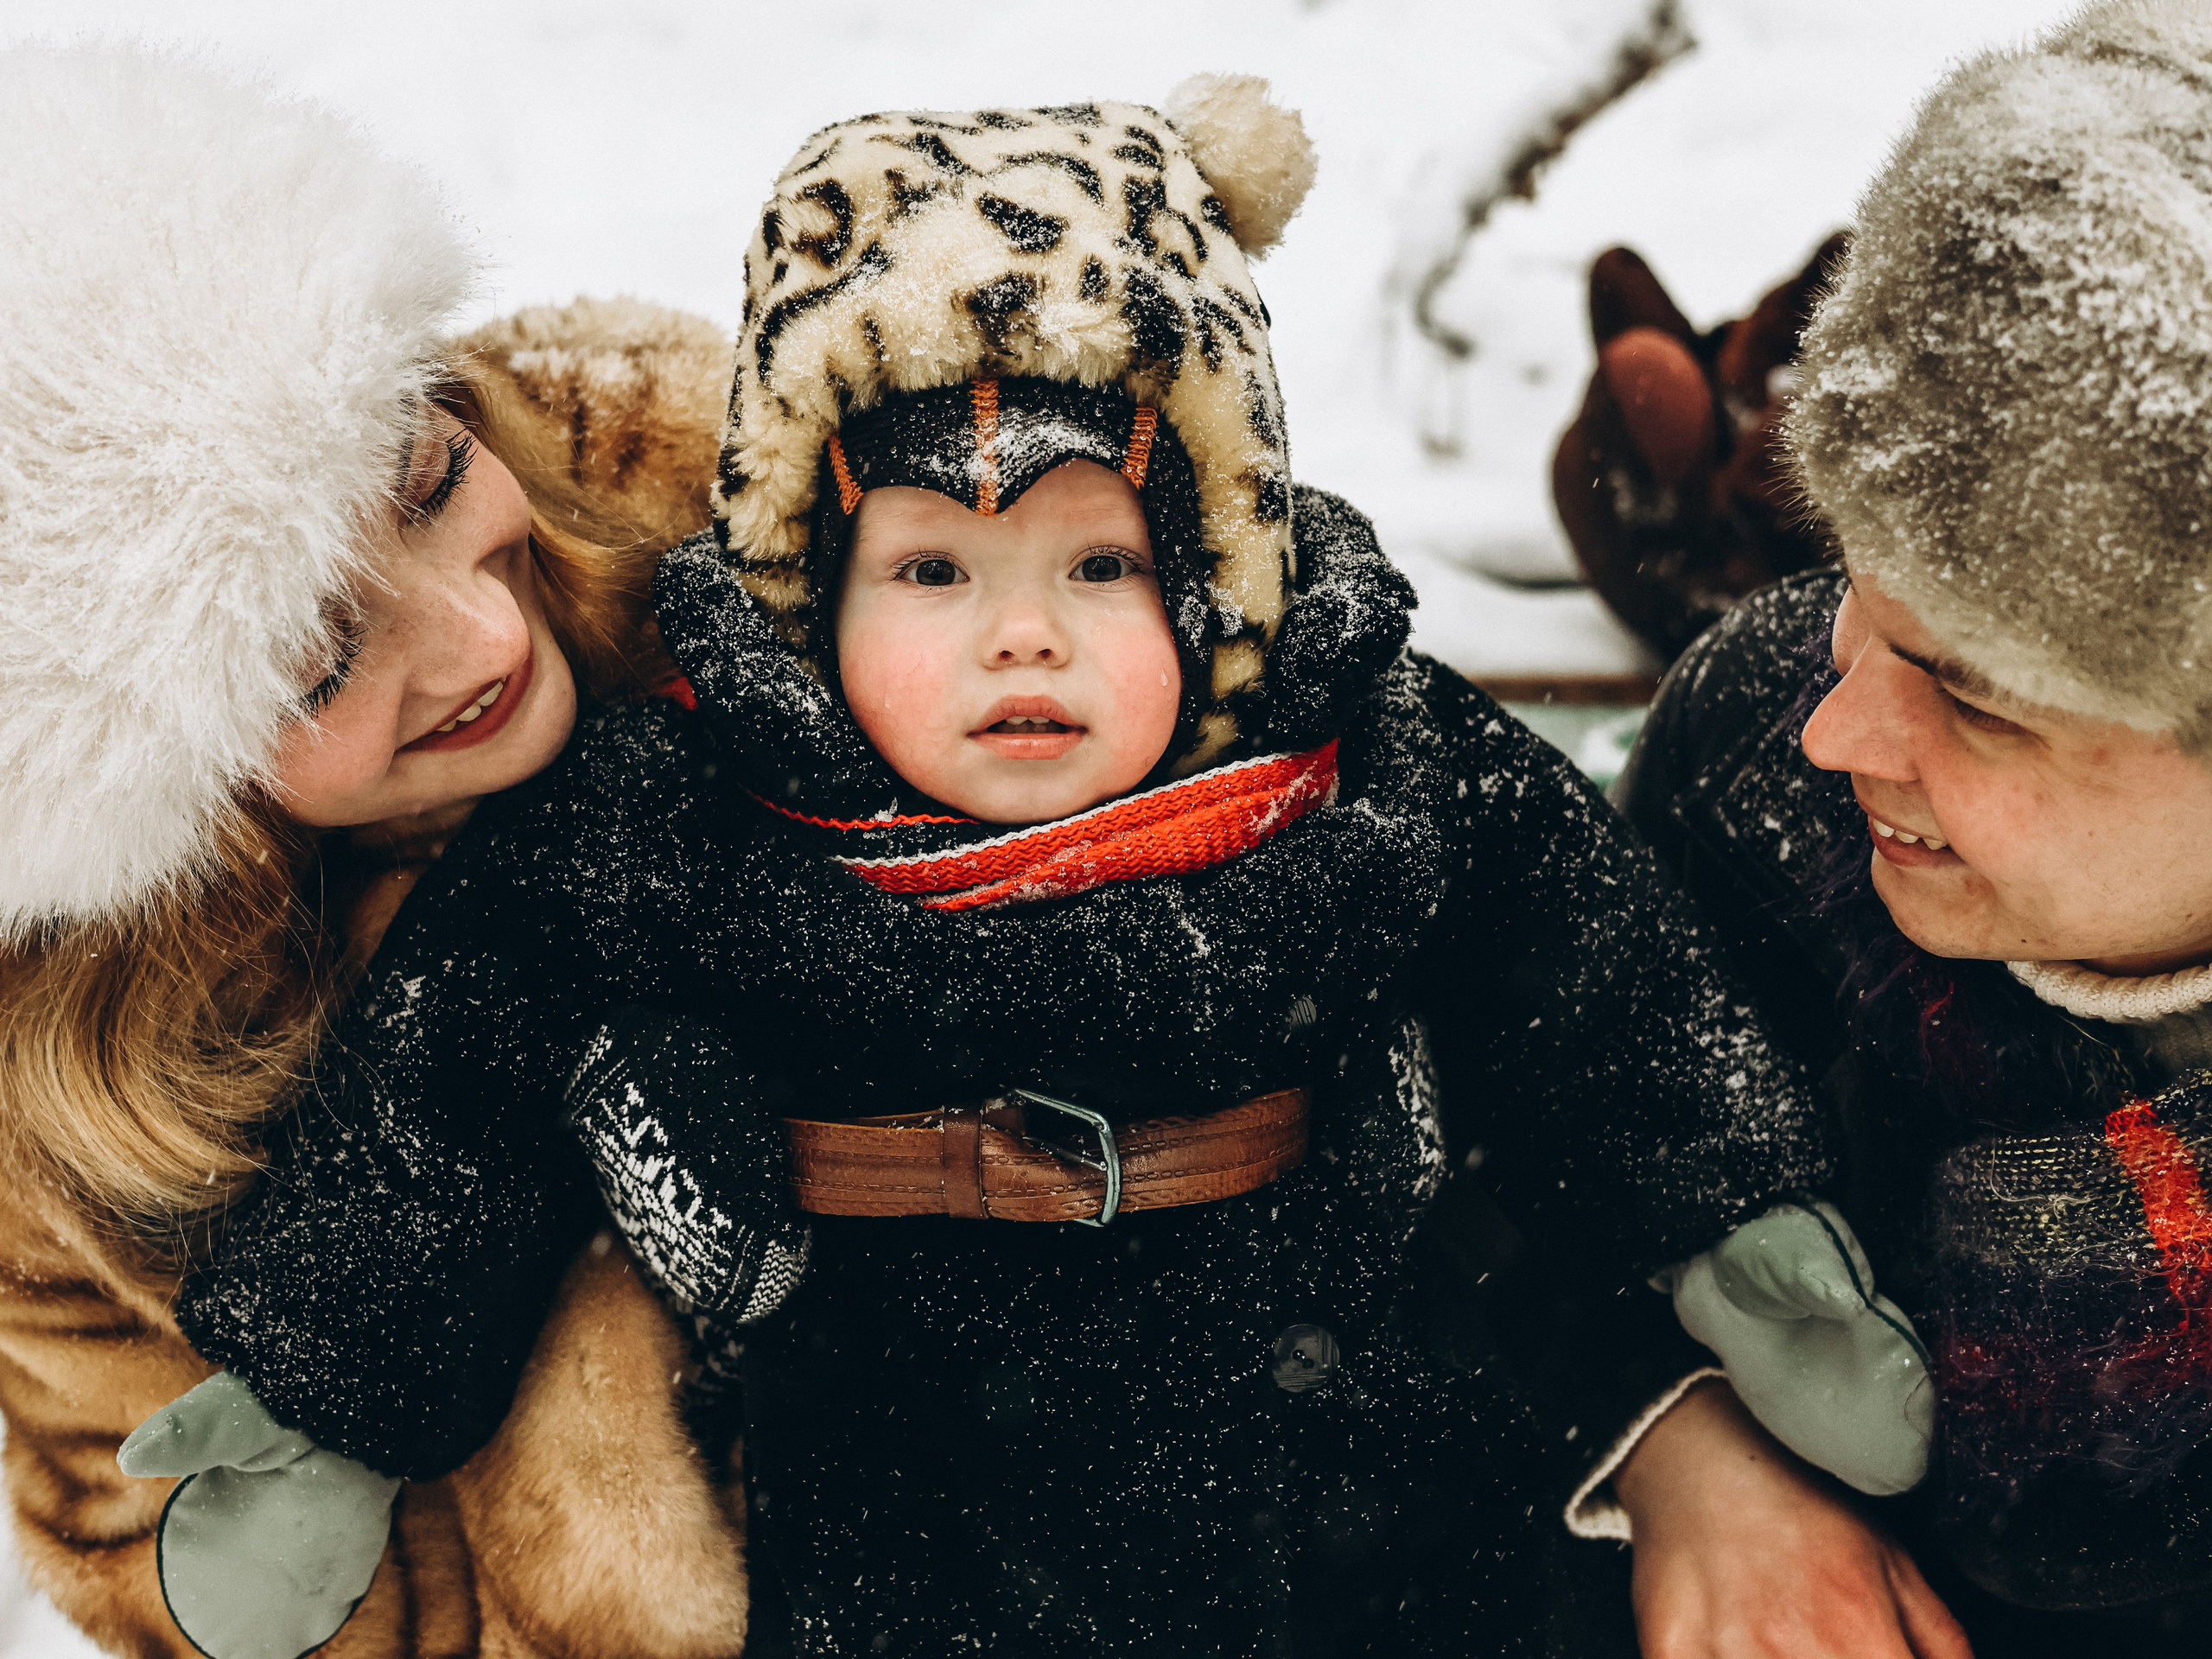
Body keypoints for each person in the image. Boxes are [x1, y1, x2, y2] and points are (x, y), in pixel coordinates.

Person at [156, 79, 1837, 1657]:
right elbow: (455, 1070)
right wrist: (325, 1388)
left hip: (1366, 1483)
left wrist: (1728, 1220)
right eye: (933, 571)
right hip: (919, 1514)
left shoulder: (1348, 761)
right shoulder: (689, 813)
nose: (1022, 633)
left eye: (1100, 563)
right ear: (814, 593)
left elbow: (1589, 968)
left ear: (1216, 573)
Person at [0, 42, 754, 1656]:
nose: (483, 635)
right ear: (159, 788)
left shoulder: (718, 473)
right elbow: (206, 1575)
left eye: (426, 482)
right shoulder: (61, 1098)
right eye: (317, 663)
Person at [1597, 3, 2212, 1652]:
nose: (1837, 726)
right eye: (1859, 593)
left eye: (1980, 699)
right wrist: (1669, 1437)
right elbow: (1509, 1152)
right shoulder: (1760, 768)